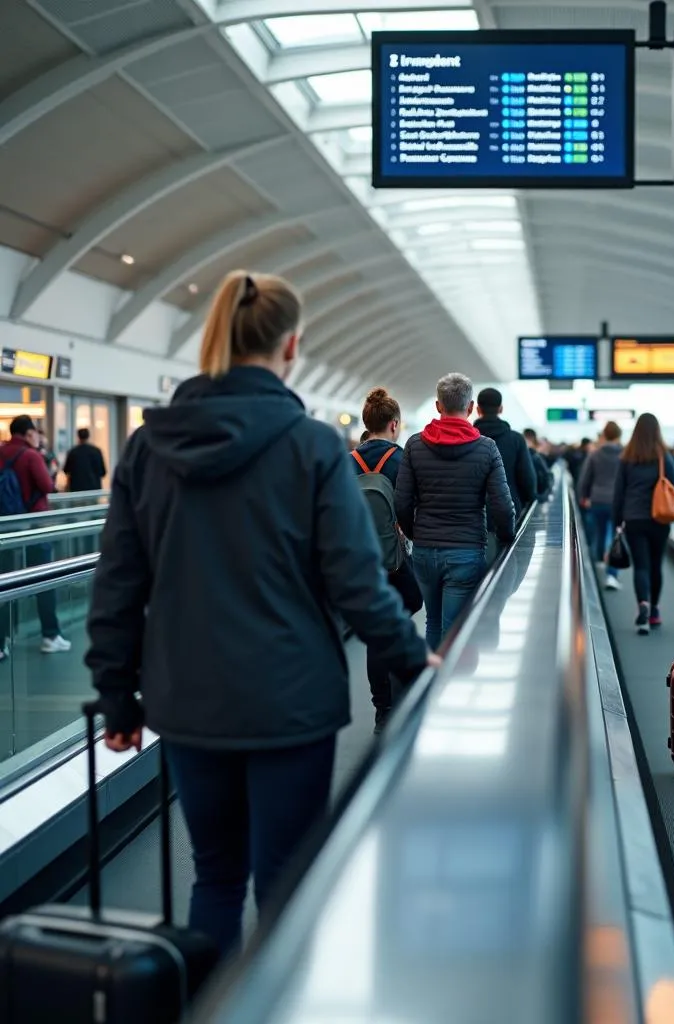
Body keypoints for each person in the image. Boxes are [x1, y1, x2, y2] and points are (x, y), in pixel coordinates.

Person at [86, 270, 435, 958]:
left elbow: (118, 584)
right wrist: (410, 656)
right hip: (291, 700)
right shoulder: (311, 448)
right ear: (292, 346)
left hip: (188, 700)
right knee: (287, 881)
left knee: (214, 878)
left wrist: (116, 698)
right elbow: (357, 578)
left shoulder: (148, 447)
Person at [396, 373, 515, 651]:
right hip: (466, 550)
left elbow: (401, 502)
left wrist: (417, 534)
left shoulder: (414, 445)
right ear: (471, 407)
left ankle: (429, 685)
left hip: (425, 550)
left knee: (432, 623)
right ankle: (444, 687)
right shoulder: (487, 448)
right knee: (455, 629)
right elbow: (502, 505)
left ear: (438, 406)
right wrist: (507, 539)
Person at [352, 387, 425, 733]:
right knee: (407, 605)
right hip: (396, 560)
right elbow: (413, 511)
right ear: (395, 424)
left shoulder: (346, 462)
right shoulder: (402, 460)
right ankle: (401, 691)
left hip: (358, 563)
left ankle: (383, 707)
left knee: (374, 632)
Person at [0, 415, 70, 654]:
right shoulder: (31, 455)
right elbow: (48, 486)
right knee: (43, 579)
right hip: (34, 525)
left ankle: (3, 641)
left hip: (6, 529)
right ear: (29, 433)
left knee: (6, 583)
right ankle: (50, 635)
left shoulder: (1, 452)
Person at [612, 413, 674, 635]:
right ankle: (654, 611)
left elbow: (618, 493)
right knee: (655, 564)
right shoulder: (663, 457)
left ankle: (642, 604)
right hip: (659, 518)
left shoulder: (627, 458)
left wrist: (617, 522)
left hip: (633, 518)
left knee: (641, 566)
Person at [474, 388, 537, 519]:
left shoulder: (468, 438)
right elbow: (527, 479)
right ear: (500, 409)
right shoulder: (516, 439)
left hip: (474, 513)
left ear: (478, 409)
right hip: (509, 511)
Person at [579, 421, 624, 591]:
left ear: (604, 434)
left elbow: (585, 478)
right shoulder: (625, 454)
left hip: (597, 500)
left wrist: (583, 496)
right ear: (619, 435)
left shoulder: (595, 454)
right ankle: (611, 574)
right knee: (615, 537)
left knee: (600, 531)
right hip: (617, 501)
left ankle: (599, 559)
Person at [63, 427, 107, 492]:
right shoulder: (96, 451)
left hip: (76, 489)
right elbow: (103, 472)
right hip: (93, 489)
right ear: (88, 436)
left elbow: (66, 470)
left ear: (78, 437)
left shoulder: (73, 452)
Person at [522, 428, 552, 501]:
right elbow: (546, 476)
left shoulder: (530, 454)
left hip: (527, 498)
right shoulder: (535, 455)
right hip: (535, 495)